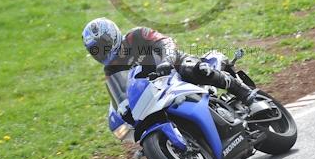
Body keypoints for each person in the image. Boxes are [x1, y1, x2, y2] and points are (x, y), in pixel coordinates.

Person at [82, 17, 258, 114]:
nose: (101, 52)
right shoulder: (111, 70)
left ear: (112, 35)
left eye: (102, 44)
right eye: (95, 50)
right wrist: (123, 111)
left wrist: (166, 60)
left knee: (197, 69)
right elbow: (121, 98)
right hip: (157, 92)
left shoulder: (136, 36)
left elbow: (166, 43)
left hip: (175, 67)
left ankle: (244, 92)